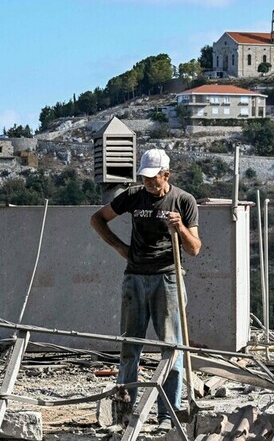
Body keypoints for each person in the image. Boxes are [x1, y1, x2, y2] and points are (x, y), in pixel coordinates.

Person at [90, 148, 201, 430]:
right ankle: (125, 415)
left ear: (167, 174)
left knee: (171, 349)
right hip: (135, 277)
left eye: (154, 178)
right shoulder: (134, 196)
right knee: (130, 348)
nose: (149, 183)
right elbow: (97, 219)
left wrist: (181, 229)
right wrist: (120, 248)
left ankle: (168, 416)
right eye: (145, 177)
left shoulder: (183, 201)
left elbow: (195, 249)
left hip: (168, 278)